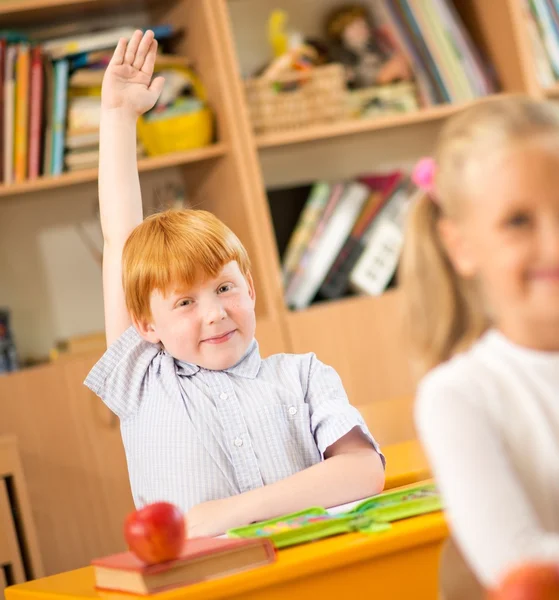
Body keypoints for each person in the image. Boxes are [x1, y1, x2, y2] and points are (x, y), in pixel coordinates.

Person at [84, 30, 385, 538]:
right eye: (184, 301)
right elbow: (120, 238)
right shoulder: (143, 380)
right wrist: (117, 116)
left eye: (224, 288)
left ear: (249, 287)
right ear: (145, 325)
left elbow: (363, 470)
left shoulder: (304, 376)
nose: (215, 312)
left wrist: (235, 511)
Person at [400, 96, 559, 588]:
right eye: (518, 222)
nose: (554, 243)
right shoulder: (459, 396)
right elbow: (520, 568)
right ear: (461, 246)